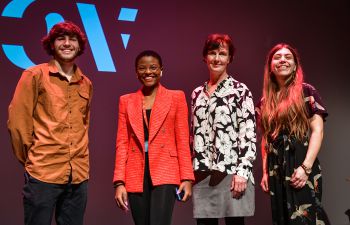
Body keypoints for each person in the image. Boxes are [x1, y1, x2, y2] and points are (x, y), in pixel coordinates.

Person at [7, 21, 92, 225]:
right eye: (60, 38)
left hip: (78, 175)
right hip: (43, 172)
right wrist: (33, 160)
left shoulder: (86, 83)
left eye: (72, 39)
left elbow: (84, 124)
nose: (67, 43)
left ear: (79, 46)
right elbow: (18, 123)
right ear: (51, 45)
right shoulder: (34, 75)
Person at [113, 50, 194, 225]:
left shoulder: (176, 97)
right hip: (135, 171)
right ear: (136, 72)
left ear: (161, 70)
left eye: (153, 67)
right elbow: (122, 143)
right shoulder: (126, 101)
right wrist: (119, 182)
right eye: (142, 68)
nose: (148, 72)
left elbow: (182, 141)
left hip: (166, 169)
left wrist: (186, 178)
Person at [256, 43, 330, 225]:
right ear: (270, 66)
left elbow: (317, 131)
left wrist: (306, 168)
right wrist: (265, 172)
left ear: (295, 65)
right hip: (276, 168)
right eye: (278, 57)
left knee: (306, 219)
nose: (283, 60)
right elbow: (265, 138)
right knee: (282, 219)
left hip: (300, 161)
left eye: (288, 57)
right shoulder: (265, 101)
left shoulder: (307, 91)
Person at [190, 33, 256, 225]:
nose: (217, 58)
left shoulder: (240, 91)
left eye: (222, 53)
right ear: (205, 57)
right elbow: (193, 136)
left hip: (232, 172)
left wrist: (243, 171)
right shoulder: (196, 94)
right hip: (203, 172)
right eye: (212, 53)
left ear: (229, 58)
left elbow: (249, 134)